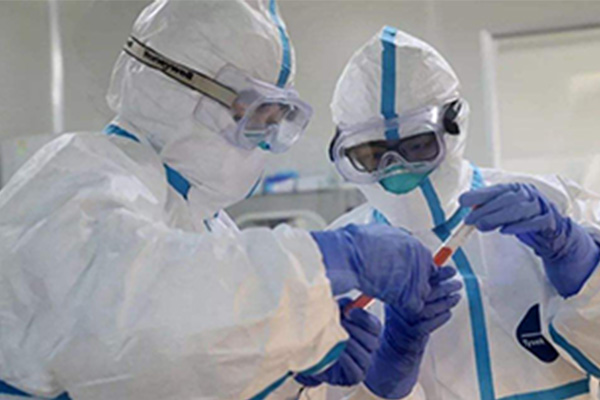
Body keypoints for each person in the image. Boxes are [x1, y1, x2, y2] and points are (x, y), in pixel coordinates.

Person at [0, 2, 443, 400]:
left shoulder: (208, 224)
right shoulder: (80, 173)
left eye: (276, 123)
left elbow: (190, 368)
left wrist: (295, 365)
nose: (266, 142)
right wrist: (323, 268)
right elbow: (132, 320)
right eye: (257, 117)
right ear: (176, 90)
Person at [327, 26, 600, 399]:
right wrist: (382, 380)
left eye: (417, 145)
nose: (397, 169)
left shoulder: (551, 204)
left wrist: (583, 268)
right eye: (373, 156)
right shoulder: (340, 261)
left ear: (453, 128)